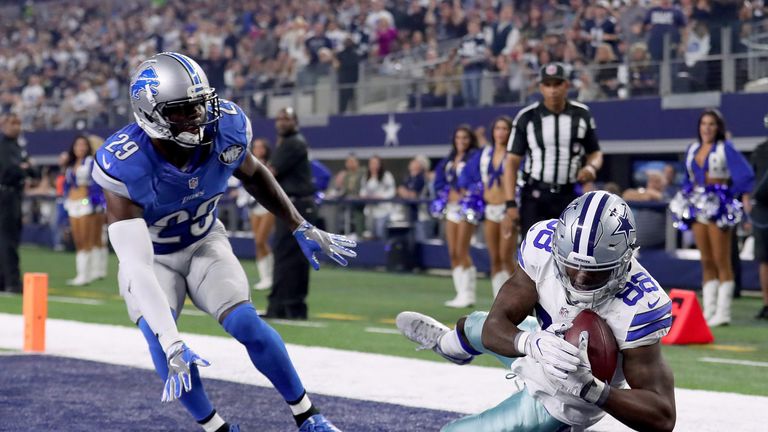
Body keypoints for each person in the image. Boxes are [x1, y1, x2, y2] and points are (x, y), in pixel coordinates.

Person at [91, 52, 355, 432]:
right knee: (163, 343)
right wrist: (171, 340)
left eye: (199, 104)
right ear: (150, 112)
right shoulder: (125, 164)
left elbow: (254, 173)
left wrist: (299, 224)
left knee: (248, 324)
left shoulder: (226, 128)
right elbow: (137, 265)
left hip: (204, 242)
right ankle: (216, 427)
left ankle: (308, 417)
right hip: (155, 259)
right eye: (182, 110)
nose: (197, 116)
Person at [397, 191, 676, 432]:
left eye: (593, 271)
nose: (578, 277)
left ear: (623, 261)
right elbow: (496, 324)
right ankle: (447, 346)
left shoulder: (641, 306)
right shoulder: (542, 246)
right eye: (571, 265)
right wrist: (530, 343)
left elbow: (663, 416)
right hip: (546, 341)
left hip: (566, 396)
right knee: (474, 325)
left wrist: (591, 389)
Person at [671, 110, 753, 327]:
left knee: (721, 259)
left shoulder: (725, 148)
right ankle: (709, 310)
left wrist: (730, 193)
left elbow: (745, 175)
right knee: (706, 260)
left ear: (718, 128)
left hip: (718, 206)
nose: (707, 128)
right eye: (704, 124)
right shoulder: (692, 149)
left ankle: (723, 312)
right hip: (697, 204)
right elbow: (688, 178)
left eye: (712, 124)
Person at [502, 62, 603, 238]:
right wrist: (510, 203)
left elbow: (595, 152)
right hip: (535, 196)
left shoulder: (582, 114)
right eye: (548, 85)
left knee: (569, 255)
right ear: (541, 88)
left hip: (569, 195)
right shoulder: (527, 117)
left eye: (557, 84)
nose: (553, 90)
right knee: (531, 255)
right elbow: (511, 162)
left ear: (566, 85)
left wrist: (591, 167)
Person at [266, 107, 329, 321]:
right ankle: (287, 306)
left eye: (287, 119)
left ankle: (286, 306)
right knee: (292, 256)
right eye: (279, 118)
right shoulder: (290, 143)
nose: (282, 122)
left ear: (295, 121)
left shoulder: (293, 143)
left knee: (288, 255)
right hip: (295, 206)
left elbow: (269, 172)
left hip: (296, 207)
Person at [460, 116, 516, 297]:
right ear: (493, 132)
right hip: (490, 209)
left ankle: (518, 298)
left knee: (507, 257)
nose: (501, 132)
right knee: (495, 259)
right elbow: (466, 176)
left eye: (505, 128)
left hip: (507, 210)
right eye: (497, 128)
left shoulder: (516, 154)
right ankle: (498, 301)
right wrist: (470, 191)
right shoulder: (484, 154)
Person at [432, 125, 480, 308]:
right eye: (458, 137)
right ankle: (460, 293)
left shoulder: (474, 157)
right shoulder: (449, 159)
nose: (461, 141)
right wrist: (445, 193)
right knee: (452, 252)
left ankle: (468, 294)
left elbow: (477, 180)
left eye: (465, 138)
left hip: (467, 207)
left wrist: (465, 193)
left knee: (462, 249)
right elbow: (440, 181)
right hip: (450, 208)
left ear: (470, 140)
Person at [62, 135, 107, 286]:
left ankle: (88, 274)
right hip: (72, 203)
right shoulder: (70, 164)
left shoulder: (91, 162)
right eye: (77, 145)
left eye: (83, 145)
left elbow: (97, 184)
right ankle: (83, 273)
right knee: (78, 240)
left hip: (86, 203)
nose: (80, 148)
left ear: (87, 147)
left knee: (90, 238)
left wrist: (97, 203)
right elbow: (67, 184)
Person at [235, 138, 275, 291]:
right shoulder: (247, 163)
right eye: (256, 147)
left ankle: (270, 276)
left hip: (267, 205)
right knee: (257, 242)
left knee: (260, 240)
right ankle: (264, 277)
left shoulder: (270, 166)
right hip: (252, 205)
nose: (258, 149)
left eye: (261, 147)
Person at [0, 113, 32, 294]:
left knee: (8, 238)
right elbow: (10, 168)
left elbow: (32, 169)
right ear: (4, 125)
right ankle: (12, 282)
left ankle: (4, 280)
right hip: (5, 195)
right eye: (13, 123)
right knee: (8, 239)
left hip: (14, 195)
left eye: (19, 123)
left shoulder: (17, 146)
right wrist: (23, 168)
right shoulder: (3, 145)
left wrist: (25, 168)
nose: (17, 127)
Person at [751, 121, 768, 319]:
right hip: (763, 210)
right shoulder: (760, 151)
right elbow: (751, 180)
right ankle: (766, 303)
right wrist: (749, 199)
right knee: (764, 257)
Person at [359, 155, 396, 239]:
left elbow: (392, 191)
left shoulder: (386, 175)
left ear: (380, 164)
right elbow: (363, 190)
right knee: (371, 234)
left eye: (375, 163)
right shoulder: (366, 176)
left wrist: (381, 196)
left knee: (380, 233)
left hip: (383, 210)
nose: (373, 165)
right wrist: (364, 196)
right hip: (370, 210)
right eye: (371, 163)